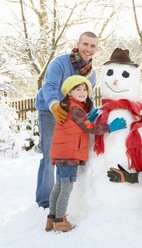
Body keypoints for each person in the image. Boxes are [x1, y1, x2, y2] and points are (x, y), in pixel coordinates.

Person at [46, 75, 127, 232]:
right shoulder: (75, 109)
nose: (83, 92)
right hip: (70, 155)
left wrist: (89, 117)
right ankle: (60, 221)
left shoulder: (70, 106)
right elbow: (89, 128)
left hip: (61, 153)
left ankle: (51, 219)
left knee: (58, 186)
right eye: (78, 89)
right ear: (69, 92)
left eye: (85, 89)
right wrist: (111, 127)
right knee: (66, 188)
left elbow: (77, 126)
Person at [35, 31, 99, 209]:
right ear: (78, 44)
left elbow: (87, 99)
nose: (88, 49)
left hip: (73, 115)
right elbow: (50, 86)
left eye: (93, 46)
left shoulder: (91, 74)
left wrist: (95, 115)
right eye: (85, 44)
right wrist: (54, 105)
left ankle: (61, 201)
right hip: (50, 110)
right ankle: (44, 202)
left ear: (96, 49)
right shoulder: (60, 63)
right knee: (50, 155)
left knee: (66, 156)